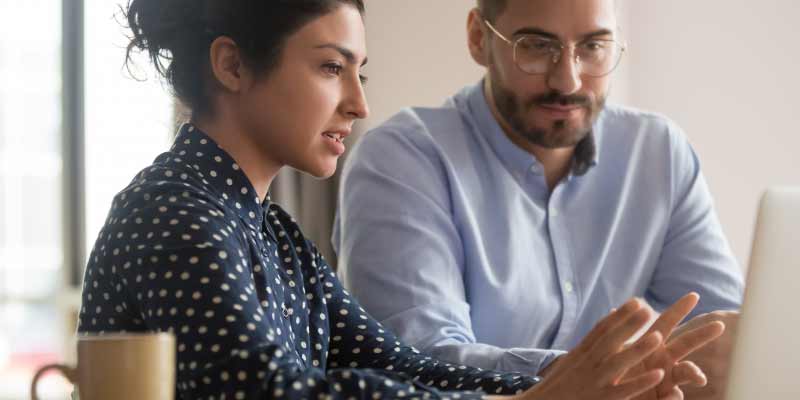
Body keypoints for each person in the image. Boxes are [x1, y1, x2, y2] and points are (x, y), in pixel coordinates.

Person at [77, 0, 723, 398]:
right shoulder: (174, 211)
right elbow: (273, 395)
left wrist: (585, 380)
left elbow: (409, 369)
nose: (359, 103)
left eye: (361, 73)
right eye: (332, 68)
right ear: (232, 66)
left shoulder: (273, 235)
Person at [333, 0, 743, 397]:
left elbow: (729, 338)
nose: (568, 80)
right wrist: (592, 378)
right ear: (479, 38)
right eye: (536, 45)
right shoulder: (399, 161)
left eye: (593, 46)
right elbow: (417, 363)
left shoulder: (656, 153)